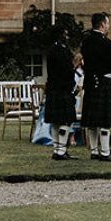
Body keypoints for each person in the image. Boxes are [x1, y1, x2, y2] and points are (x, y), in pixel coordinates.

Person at [78, 14, 111, 161]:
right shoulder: (107, 43)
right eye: (108, 24)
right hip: (104, 83)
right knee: (104, 120)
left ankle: (94, 151)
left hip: (91, 82)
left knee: (92, 121)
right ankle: (105, 152)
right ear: (102, 25)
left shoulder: (86, 42)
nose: (109, 27)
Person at [43, 22, 78, 161]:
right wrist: (72, 84)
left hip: (53, 89)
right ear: (60, 35)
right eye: (65, 33)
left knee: (56, 122)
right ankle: (62, 150)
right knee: (65, 121)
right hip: (63, 89)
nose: (67, 36)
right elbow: (67, 72)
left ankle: (57, 149)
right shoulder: (62, 51)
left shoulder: (51, 50)